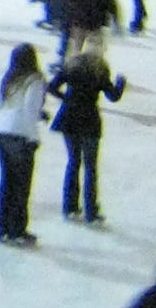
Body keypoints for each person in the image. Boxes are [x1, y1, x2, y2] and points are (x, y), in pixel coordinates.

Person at [48, 42, 125, 226]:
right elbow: (113, 96)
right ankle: (91, 211)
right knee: (90, 167)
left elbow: (51, 87)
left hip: (69, 118)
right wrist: (120, 83)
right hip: (89, 120)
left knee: (73, 162)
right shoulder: (99, 70)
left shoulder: (71, 66)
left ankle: (70, 207)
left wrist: (67, 99)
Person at [0, 45, 49, 247]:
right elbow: (30, 111)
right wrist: (33, 139)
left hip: (0, 130)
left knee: (7, 182)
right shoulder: (35, 80)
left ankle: (3, 229)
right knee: (21, 185)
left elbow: (12, 105)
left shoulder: (9, 79)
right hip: (19, 134)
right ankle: (17, 229)